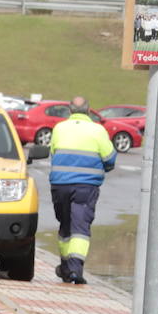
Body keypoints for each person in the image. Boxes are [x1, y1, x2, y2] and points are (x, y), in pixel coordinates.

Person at [49, 96, 115, 285]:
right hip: (86, 187)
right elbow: (109, 158)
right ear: (88, 110)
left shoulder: (59, 128)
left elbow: (53, 152)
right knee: (80, 227)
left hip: (60, 185)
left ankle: (65, 267)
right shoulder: (98, 130)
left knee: (65, 226)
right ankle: (75, 271)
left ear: (70, 111)